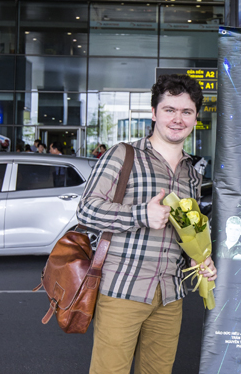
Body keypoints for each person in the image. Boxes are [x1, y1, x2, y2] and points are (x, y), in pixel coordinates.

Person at [76, 74, 217, 374]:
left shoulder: (192, 173)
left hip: (170, 295)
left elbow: (186, 232)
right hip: (123, 289)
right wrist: (141, 214)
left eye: (186, 112)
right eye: (170, 110)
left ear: (195, 118)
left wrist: (199, 258)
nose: (178, 119)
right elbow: (86, 210)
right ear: (154, 113)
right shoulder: (124, 154)